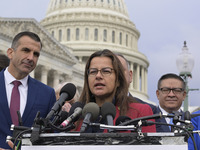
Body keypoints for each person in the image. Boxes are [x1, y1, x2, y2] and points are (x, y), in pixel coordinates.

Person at [75, 49, 156, 133]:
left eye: (106, 71)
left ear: (118, 80)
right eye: (93, 72)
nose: (98, 76)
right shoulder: (76, 115)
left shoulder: (140, 112)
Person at [0, 31, 56, 149]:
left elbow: (50, 139)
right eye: (26, 50)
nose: (31, 58)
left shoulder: (47, 94)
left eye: (36, 54)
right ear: (10, 53)